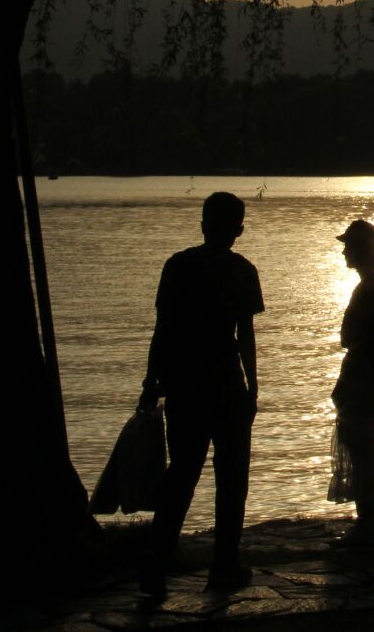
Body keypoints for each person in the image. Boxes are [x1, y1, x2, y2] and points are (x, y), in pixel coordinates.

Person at [137, 191, 263, 597]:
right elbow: (245, 335)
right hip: (225, 382)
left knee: (182, 472)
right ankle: (224, 563)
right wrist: (253, 387)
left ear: (203, 223)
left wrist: (150, 381)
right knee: (231, 477)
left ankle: (157, 557)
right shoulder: (243, 271)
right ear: (238, 230)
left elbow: (163, 330)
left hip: (184, 383)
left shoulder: (177, 267)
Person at [328, 219, 374, 548]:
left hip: (364, 381)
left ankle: (368, 525)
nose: (344, 250)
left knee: (363, 450)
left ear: (360, 250)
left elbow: (350, 337)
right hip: (367, 379)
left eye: (348, 245)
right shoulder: (372, 287)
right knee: (365, 449)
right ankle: (369, 523)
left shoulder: (368, 288)